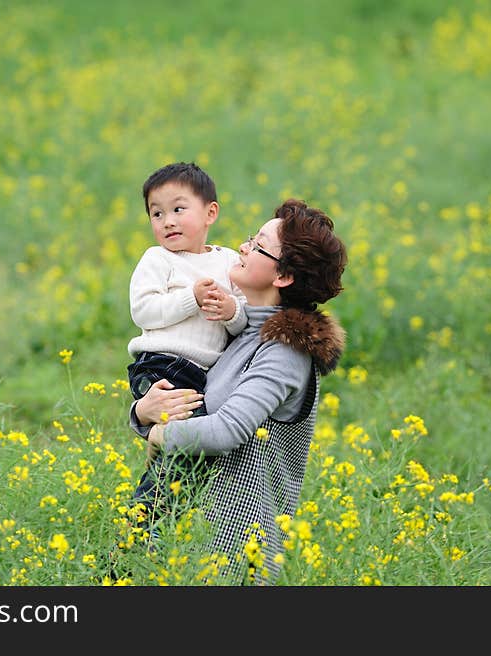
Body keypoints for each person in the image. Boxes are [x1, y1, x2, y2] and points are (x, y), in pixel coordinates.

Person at [130, 198, 348, 584]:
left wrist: (162, 434)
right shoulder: (241, 329)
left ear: (282, 276)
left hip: (234, 553)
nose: (243, 246)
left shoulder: (284, 352)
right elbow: (189, 402)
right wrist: (143, 414)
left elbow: (225, 430)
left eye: (258, 243)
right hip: (194, 541)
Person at [125, 162, 248, 540]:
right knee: (180, 458)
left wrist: (231, 312)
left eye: (179, 209)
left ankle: (154, 532)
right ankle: (141, 533)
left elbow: (243, 318)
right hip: (160, 364)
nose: (167, 221)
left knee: (187, 460)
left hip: (204, 375)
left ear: (210, 212)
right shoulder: (157, 260)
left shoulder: (228, 261)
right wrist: (190, 300)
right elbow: (143, 311)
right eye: (156, 213)